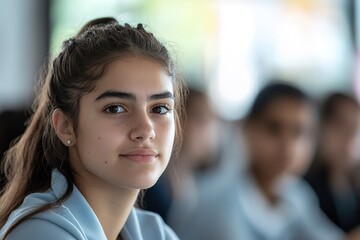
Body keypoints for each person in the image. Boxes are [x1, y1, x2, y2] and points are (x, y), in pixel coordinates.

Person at [0, 17, 186, 240]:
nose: (146, 129)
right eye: (115, 108)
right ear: (66, 126)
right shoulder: (40, 234)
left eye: (160, 108)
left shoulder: (156, 233)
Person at [173, 82, 360, 240]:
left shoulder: (295, 195)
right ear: (248, 129)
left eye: (299, 132)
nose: (288, 146)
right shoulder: (216, 203)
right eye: (274, 129)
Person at [305, 93, 360, 233]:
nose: (348, 139)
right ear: (318, 127)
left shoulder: (353, 185)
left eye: (355, 130)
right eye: (340, 127)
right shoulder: (302, 190)